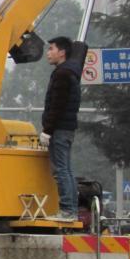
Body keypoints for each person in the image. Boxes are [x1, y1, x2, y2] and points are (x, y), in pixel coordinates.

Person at [41, 36, 82, 222]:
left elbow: (57, 105)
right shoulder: (69, 73)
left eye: (51, 49)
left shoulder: (62, 74)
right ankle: (71, 209)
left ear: (62, 52)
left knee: (61, 171)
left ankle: (67, 210)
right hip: (67, 128)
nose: (48, 53)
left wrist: (47, 130)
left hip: (59, 129)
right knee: (67, 169)